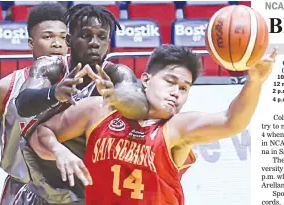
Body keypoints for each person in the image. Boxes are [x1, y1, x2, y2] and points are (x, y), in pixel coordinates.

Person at [29, 44, 277, 205]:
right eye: (170, 82)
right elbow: (41, 132)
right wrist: (59, 150)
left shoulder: (177, 128)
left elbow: (230, 122)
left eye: (184, 88)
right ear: (146, 80)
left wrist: (255, 81)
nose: (176, 92)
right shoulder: (98, 110)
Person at [13, 4, 148, 205]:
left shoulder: (117, 74)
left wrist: (115, 96)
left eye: (102, 37)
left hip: (89, 192)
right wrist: (54, 93)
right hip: (45, 190)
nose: (94, 43)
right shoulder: (49, 68)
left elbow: (142, 107)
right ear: (69, 40)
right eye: (86, 35)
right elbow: (22, 104)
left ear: (108, 43)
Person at [0, 3, 68, 204]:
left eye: (63, 37)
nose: (57, 43)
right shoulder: (6, 86)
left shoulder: (82, 84)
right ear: (30, 43)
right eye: (48, 37)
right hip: (20, 191)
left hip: (70, 195)